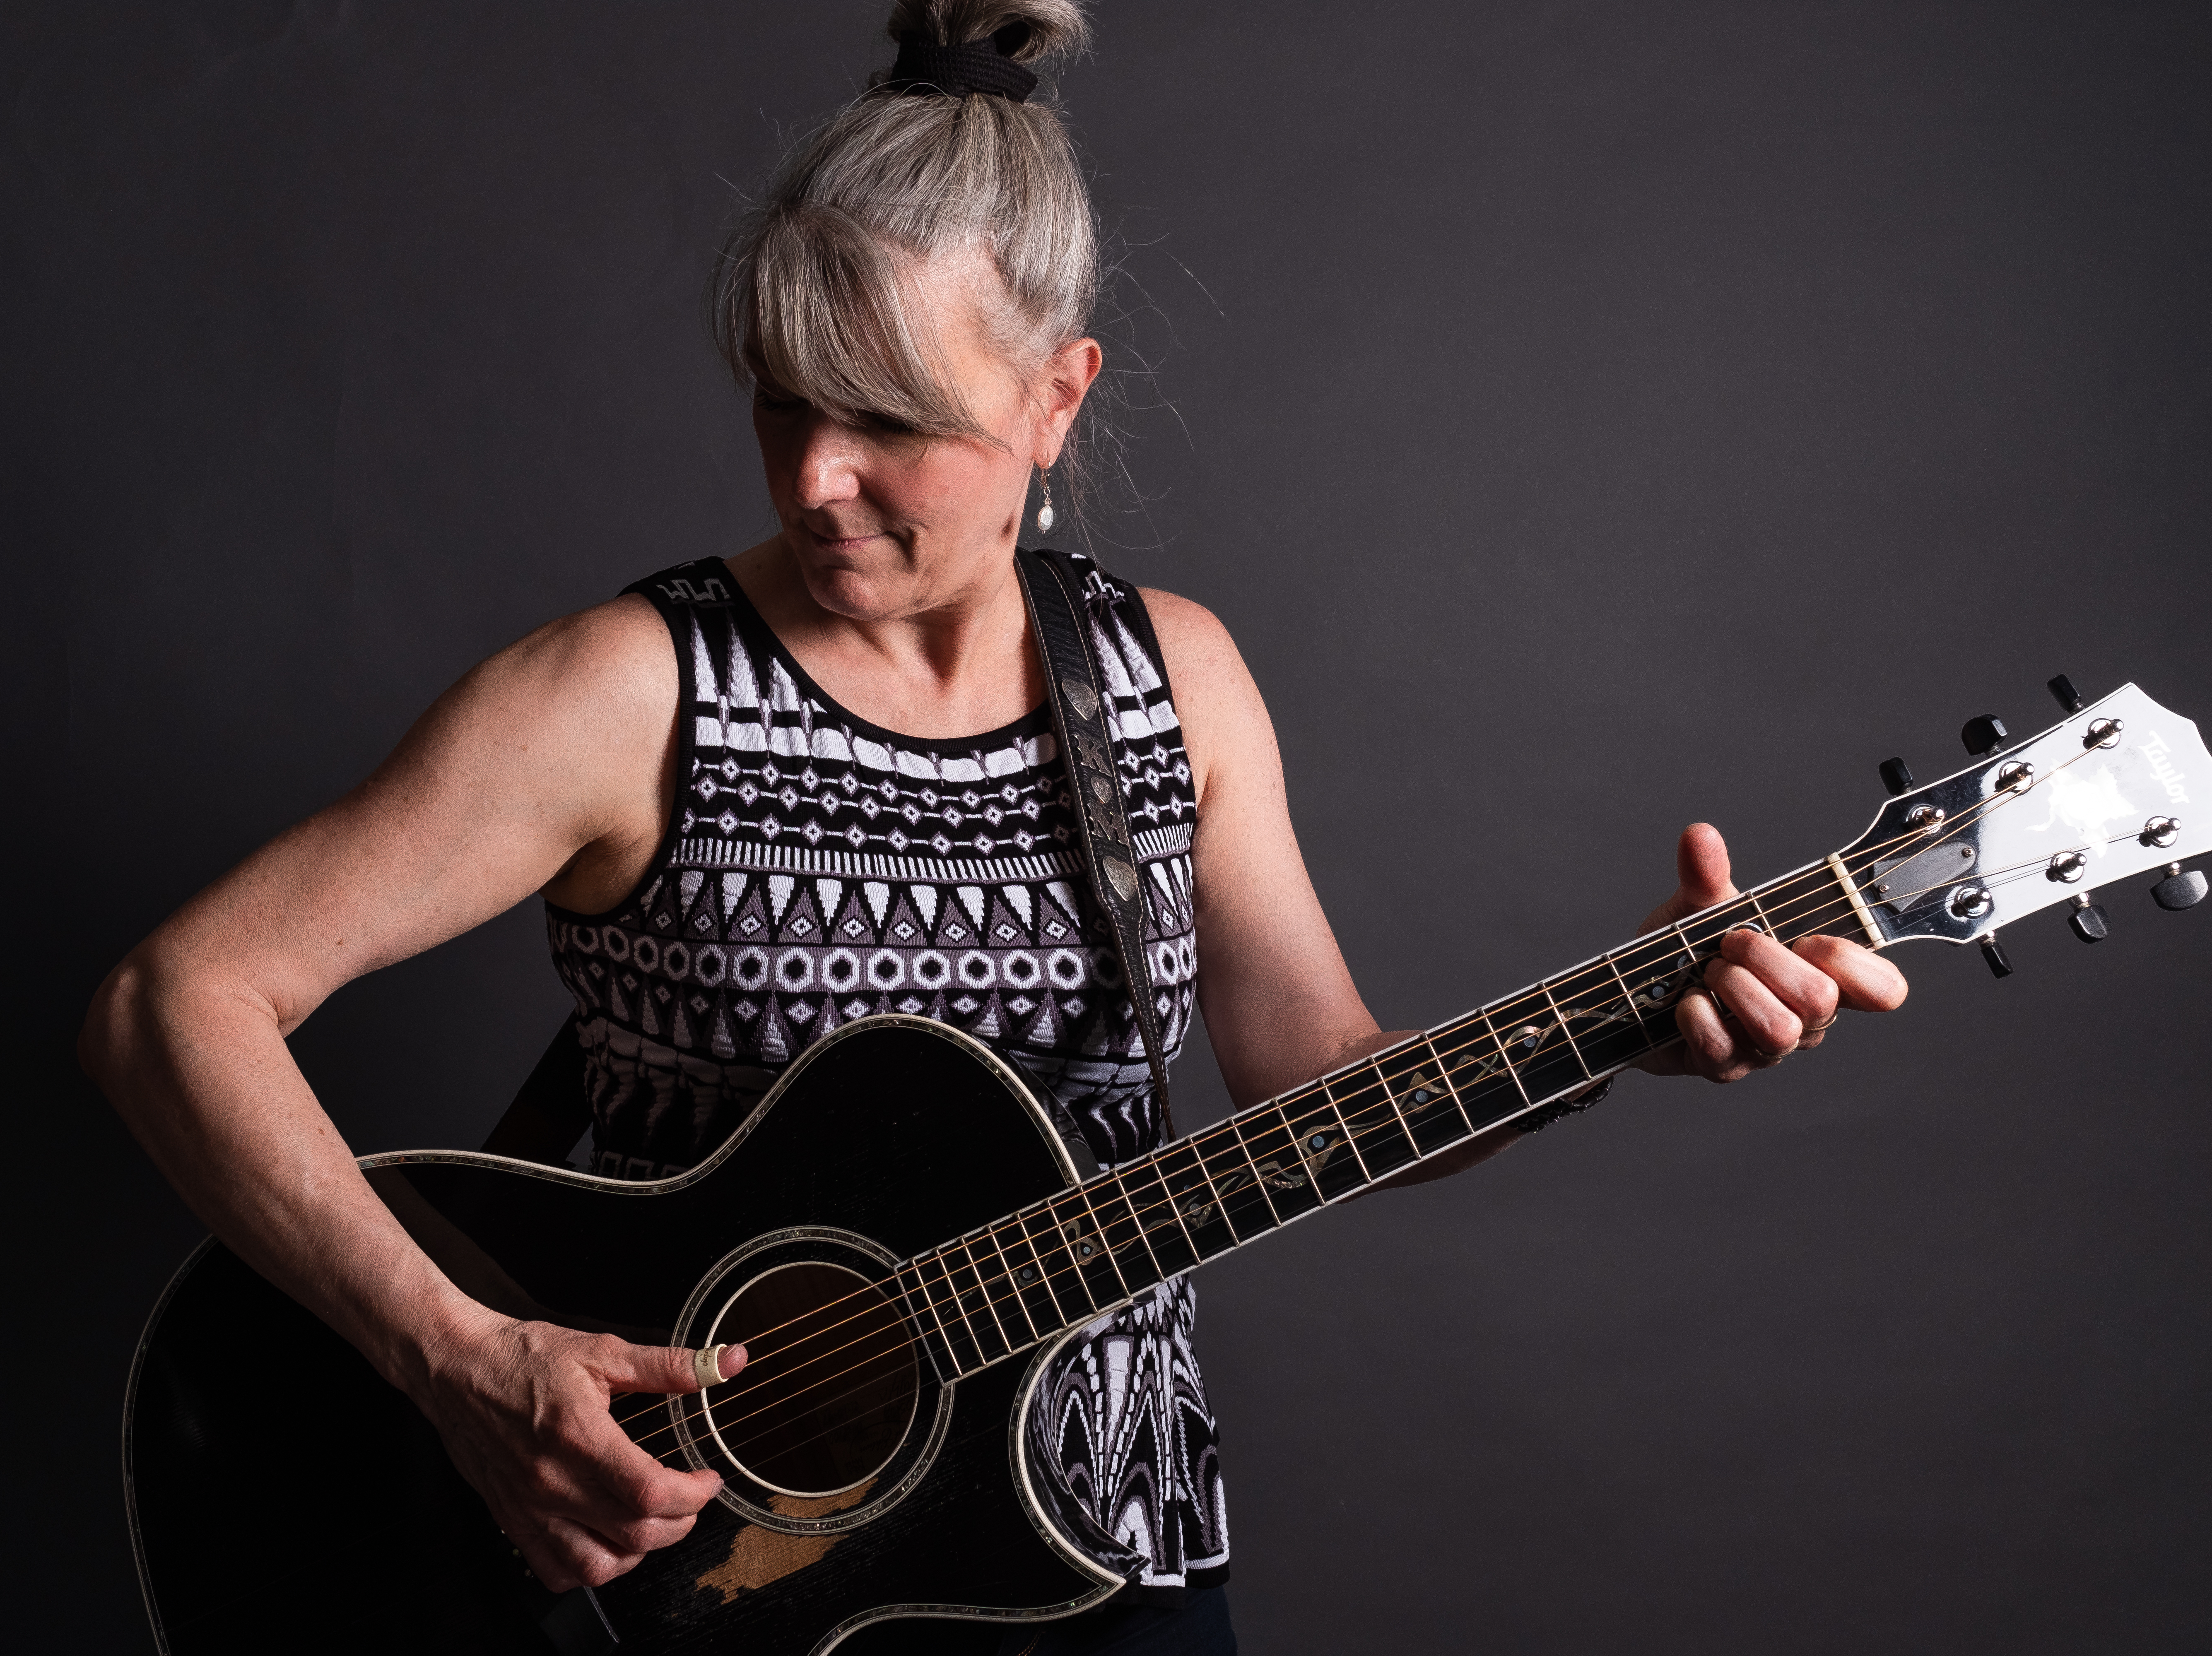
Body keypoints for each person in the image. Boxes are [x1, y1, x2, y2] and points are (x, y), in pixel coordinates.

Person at [80, 2, 1908, 1650]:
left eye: (886, 418)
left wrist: (1620, 1038)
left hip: (1101, 1551)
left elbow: (1322, 1075)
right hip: (677, 1587)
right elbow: (179, 998)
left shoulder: (1170, 683)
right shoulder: (626, 694)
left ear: (1058, 400)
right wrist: (464, 1358)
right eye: (782, 396)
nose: (812, 476)